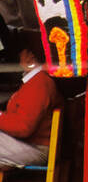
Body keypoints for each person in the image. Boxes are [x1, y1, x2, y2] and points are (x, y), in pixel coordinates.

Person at [0, 30, 60, 173]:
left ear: (30, 58)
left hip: (35, 148)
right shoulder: (34, 82)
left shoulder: (39, 83)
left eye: (20, 53)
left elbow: (24, 127)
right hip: (26, 145)